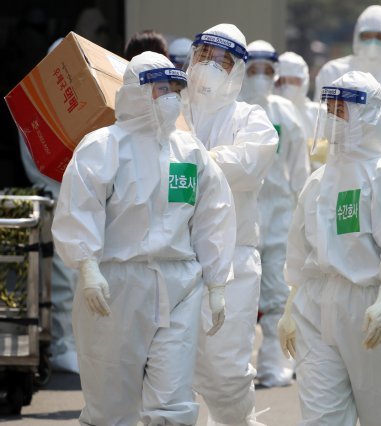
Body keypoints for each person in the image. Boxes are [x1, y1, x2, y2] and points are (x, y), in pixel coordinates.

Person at [51, 52, 236, 425]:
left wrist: (217, 282)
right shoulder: (103, 146)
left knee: (174, 400)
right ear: (136, 91)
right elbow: (79, 208)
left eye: (174, 89)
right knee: (111, 403)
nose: (170, 98)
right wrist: (87, 266)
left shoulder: (189, 151)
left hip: (180, 286)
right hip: (115, 286)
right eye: (160, 89)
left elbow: (213, 215)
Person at [278, 70, 381, 425]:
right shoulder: (318, 182)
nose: (333, 117)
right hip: (316, 309)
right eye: (330, 109)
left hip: (373, 308)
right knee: (322, 418)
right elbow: (301, 255)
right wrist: (290, 309)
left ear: (367, 114)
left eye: (342, 109)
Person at [186, 24, 278, 425]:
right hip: (172, 257)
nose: (210, 65)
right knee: (167, 373)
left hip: (232, 260)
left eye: (222, 60)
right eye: (204, 55)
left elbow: (248, 165)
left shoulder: (250, 118)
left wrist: (191, 158)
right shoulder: (171, 108)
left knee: (225, 372)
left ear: (237, 69)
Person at [240, 40, 310, 388]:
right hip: (244, 212)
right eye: (253, 69)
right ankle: (234, 368)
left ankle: (276, 364)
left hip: (280, 213)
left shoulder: (285, 113)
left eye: (267, 70)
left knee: (277, 294)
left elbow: (300, 171)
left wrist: (303, 214)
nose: (260, 77)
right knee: (240, 295)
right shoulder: (234, 111)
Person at [18, 38, 77, 374]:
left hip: (80, 201)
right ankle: (61, 345)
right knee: (63, 279)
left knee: (82, 277)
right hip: (55, 199)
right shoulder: (36, 102)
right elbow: (36, 160)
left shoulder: (76, 103)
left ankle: (75, 344)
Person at [313, 5, 381, 138]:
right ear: (357, 35)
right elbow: (320, 121)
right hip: (342, 149)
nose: (373, 42)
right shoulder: (333, 71)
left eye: (380, 37)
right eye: (367, 36)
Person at [275, 51, 325, 170]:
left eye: (293, 81)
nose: (286, 86)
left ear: (304, 81)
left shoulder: (319, 113)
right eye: (282, 81)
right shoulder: (267, 112)